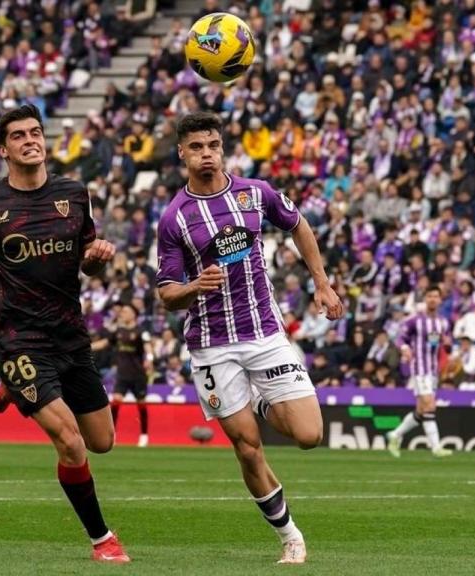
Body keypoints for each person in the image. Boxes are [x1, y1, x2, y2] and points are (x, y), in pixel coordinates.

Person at [155, 112, 345, 565]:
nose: (207, 154)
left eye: (214, 145)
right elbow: (166, 292)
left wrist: (321, 281)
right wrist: (192, 286)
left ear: (223, 148)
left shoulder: (254, 194)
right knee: (246, 445)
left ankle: (258, 402)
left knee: (308, 434)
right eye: (197, 147)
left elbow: (298, 223)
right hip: (212, 344)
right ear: (182, 152)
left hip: (264, 333)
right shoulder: (174, 218)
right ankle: (290, 536)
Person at [0, 105, 129, 564]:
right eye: (19, 136)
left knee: (101, 441)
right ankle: (102, 540)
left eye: (36, 132)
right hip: (18, 338)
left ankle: (13, 386)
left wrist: (96, 258)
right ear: (3, 149)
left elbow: (85, 261)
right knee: (69, 441)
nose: (31, 140)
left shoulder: (74, 195)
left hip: (70, 335)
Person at [385, 287, 454, 458]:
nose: (432, 299)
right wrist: (405, 348)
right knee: (430, 405)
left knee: (422, 410)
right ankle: (436, 447)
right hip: (420, 368)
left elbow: (443, 345)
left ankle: (395, 435)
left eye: (436, 296)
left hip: (433, 370)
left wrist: (447, 345)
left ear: (440, 300)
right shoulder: (415, 320)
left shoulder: (443, 322)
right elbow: (400, 337)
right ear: (425, 299)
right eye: (429, 296)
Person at [92, 303, 152, 447]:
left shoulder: (141, 331)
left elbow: (148, 346)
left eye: (125, 311)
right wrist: (85, 347)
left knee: (141, 405)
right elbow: (104, 343)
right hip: (122, 375)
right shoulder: (118, 331)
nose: (122, 313)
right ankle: (112, 435)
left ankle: (144, 435)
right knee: (116, 402)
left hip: (138, 375)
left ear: (133, 314)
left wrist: (149, 359)